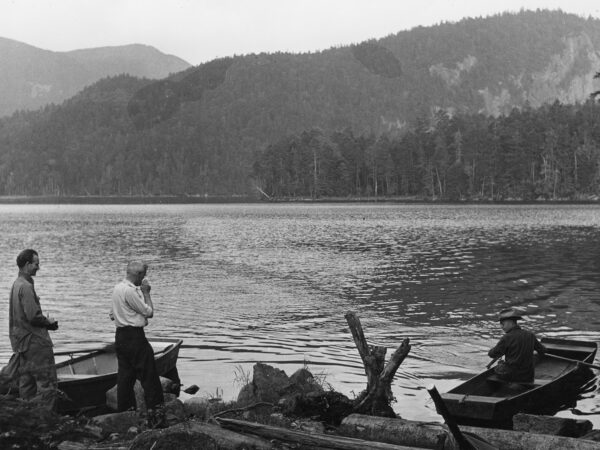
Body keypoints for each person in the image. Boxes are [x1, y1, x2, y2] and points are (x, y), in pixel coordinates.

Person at [110, 261, 164, 422]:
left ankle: (126, 415)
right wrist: (146, 293)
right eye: (144, 274)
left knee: (125, 377)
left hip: (120, 336)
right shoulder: (130, 291)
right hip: (135, 337)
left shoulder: (117, 288)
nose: (144, 278)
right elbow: (149, 312)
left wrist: (126, 315)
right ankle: (157, 416)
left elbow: (112, 315)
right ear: (138, 274)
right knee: (150, 377)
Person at [9, 249, 59, 409]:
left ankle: (28, 421)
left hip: (21, 343)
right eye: (36, 264)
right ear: (27, 264)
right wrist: (49, 323)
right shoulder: (26, 287)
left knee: (27, 384)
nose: (38, 267)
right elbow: (33, 316)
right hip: (36, 343)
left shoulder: (16, 284)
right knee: (48, 385)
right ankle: (45, 423)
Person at [488, 308, 546, 382]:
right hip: (528, 376)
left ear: (510, 322)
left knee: (499, 366)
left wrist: (496, 350)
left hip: (511, 376)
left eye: (503, 324)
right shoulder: (530, 335)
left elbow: (491, 354)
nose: (501, 327)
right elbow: (543, 350)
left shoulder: (507, 337)